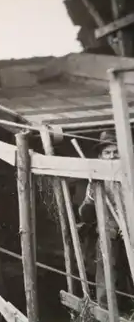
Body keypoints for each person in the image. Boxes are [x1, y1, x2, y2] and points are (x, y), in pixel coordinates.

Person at [78, 130, 133, 309]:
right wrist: (92, 197)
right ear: (101, 156)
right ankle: (107, 313)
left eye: (116, 152)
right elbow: (85, 212)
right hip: (107, 232)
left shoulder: (130, 176)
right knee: (107, 276)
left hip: (131, 232)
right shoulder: (96, 179)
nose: (112, 157)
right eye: (107, 153)